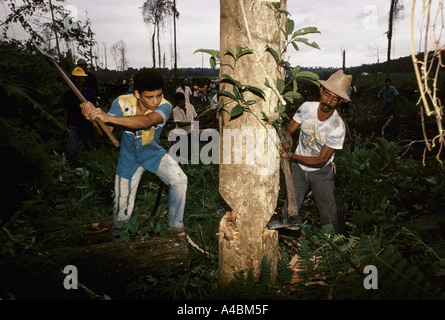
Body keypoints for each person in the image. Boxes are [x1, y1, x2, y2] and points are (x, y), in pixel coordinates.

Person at [80, 68, 188, 240]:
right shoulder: (122, 102)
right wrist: (94, 119)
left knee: (179, 179)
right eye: (149, 97)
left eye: (158, 95)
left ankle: (175, 230)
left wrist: (107, 117)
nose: (155, 101)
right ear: (137, 93)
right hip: (128, 159)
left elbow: (146, 122)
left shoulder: (165, 106)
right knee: (121, 213)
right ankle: (119, 245)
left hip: (153, 154)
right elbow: (105, 131)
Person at [267, 69, 351, 234]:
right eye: (326, 95)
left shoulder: (337, 126)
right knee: (289, 212)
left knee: (329, 215)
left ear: (339, 101)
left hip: (322, 173)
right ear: (321, 91)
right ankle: (286, 240)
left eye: (335, 99)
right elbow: (289, 130)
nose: (328, 101)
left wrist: (292, 156)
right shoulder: (306, 108)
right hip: (298, 169)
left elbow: (321, 160)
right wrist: (287, 141)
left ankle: (333, 247)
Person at [63, 67, 97, 165]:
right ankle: (71, 166)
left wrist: (94, 124)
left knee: (89, 146)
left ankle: (92, 165)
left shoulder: (90, 93)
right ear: (72, 79)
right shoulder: (68, 93)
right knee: (71, 148)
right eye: (77, 78)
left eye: (82, 78)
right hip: (73, 124)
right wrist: (65, 125)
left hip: (86, 125)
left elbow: (94, 109)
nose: (80, 80)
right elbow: (66, 110)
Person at [172, 91, 197, 161]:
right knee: (183, 150)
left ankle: (186, 157)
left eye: (181, 102)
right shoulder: (175, 110)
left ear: (184, 100)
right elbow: (179, 124)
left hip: (190, 131)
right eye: (178, 103)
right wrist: (192, 123)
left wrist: (194, 122)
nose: (179, 104)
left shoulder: (190, 107)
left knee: (189, 150)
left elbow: (195, 116)